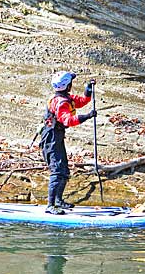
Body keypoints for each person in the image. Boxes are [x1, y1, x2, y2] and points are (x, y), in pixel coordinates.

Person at [41, 71, 97, 215]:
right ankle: (50, 205)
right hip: (51, 139)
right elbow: (68, 120)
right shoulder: (61, 102)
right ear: (68, 85)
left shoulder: (66, 97)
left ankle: (59, 201)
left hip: (57, 137)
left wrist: (88, 90)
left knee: (64, 170)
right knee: (57, 171)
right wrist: (87, 116)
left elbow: (81, 101)